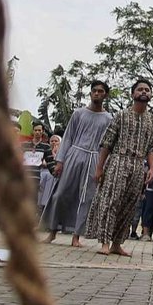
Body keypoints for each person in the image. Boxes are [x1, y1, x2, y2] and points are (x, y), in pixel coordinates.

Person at [85, 79, 153, 257]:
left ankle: (117, 243)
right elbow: (106, 143)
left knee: (129, 205)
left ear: (151, 95)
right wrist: (99, 168)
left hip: (138, 165)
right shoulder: (121, 115)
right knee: (110, 201)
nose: (144, 92)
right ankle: (104, 242)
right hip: (118, 161)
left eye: (147, 90)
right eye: (140, 89)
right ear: (132, 94)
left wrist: (152, 168)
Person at [43, 81, 114, 247]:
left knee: (86, 198)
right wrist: (60, 161)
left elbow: (107, 145)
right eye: (94, 91)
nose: (97, 93)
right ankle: (52, 231)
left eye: (100, 91)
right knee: (60, 193)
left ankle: (76, 236)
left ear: (105, 95)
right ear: (90, 93)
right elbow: (67, 137)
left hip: (94, 158)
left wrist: (102, 167)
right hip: (74, 154)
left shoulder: (109, 118)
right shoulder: (78, 113)